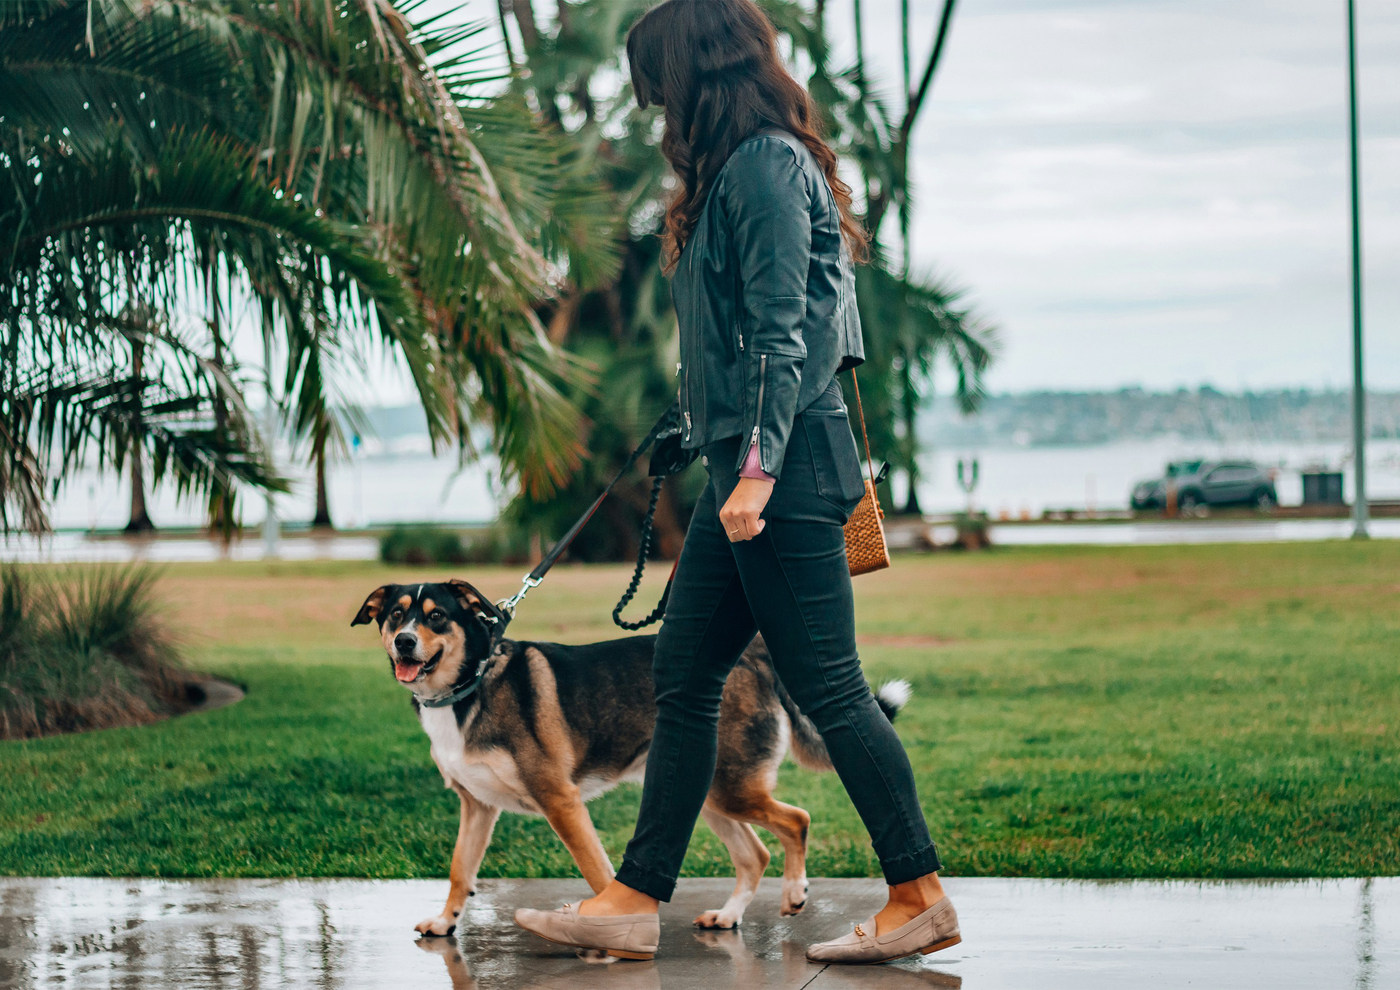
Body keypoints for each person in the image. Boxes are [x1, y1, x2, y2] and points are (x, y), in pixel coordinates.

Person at [514, 0, 959, 965]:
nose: (656, 113)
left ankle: (919, 893)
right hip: (750, 466)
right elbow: (737, 340)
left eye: (658, 90)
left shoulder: (761, 164)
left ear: (693, 76)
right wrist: (700, 430)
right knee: (682, 678)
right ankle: (635, 897)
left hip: (783, 471)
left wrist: (752, 466)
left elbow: (777, 332)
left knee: (830, 686)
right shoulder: (735, 174)